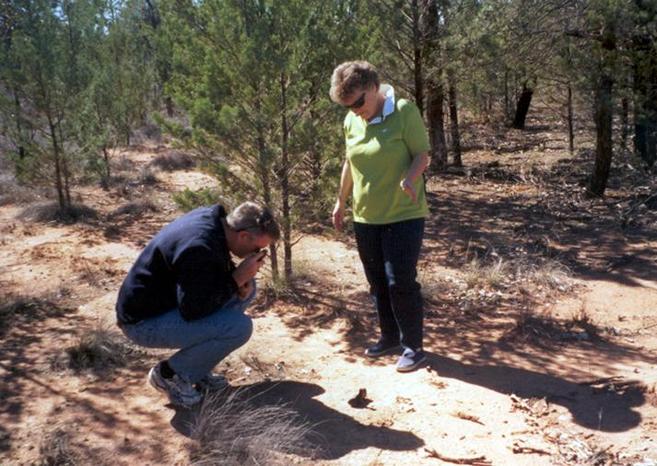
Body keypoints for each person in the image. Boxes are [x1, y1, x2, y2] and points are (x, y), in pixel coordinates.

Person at [116, 201, 279, 406]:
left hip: (163, 304)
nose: (257, 256)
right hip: (143, 323)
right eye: (257, 250)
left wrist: (236, 281)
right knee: (239, 327)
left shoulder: (215, 225)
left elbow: (205, 282)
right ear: (243, 236)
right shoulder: (199, 248)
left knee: (247, 289)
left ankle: (196, 368)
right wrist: (234, 280)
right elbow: (193, 310)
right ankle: (169, 375)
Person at [329, 61, 431, 372]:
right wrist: (340, 201)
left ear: (374, 87)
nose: (355, 109)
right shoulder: (352, 120)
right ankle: (389, 337)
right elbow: (350, 162)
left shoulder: (404, 111)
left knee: (400, 281)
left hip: (403, 213)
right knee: (377, 283)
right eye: (348, 105)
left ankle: (413, 346)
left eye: (359, 101)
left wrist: (411, 178)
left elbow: (422, 155)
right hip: (365, 216)